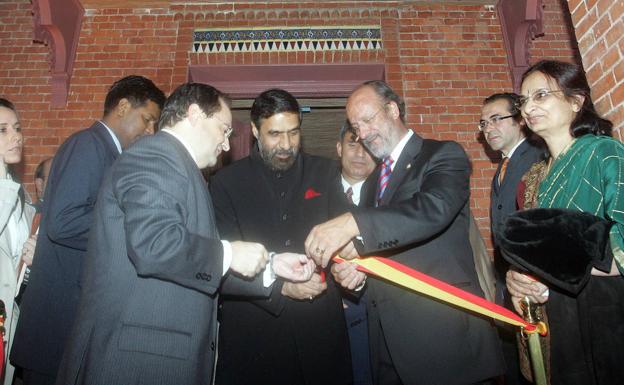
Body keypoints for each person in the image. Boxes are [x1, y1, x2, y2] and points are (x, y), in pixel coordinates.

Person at [54, 82, 314, 385]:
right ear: (194, 114)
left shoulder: (181, 168)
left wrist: (271, 266)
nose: (227, 145)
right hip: (136, 361)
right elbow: (154, 245)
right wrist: (230, 253)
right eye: (224, 129)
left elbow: (194, 263)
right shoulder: (156, 155)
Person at [306, 80, 505, 384]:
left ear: (393, 110)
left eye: (368, 119)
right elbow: (385, 243)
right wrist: (360, 271)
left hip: (444, 339)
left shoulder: (442, 155)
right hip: (387, 349)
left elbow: (432, 210)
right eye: (356, 126)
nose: (363, 134)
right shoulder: (372, 183)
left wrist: (353, 223)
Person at [10, 75, 166, 385]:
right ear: (123, 107)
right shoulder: (89, 144)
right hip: (59, 323)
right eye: (148, 120)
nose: (151, 131)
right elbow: (64, 222)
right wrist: (131, 229)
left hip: (70, 321)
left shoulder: (107, 151)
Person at [210, 88, 353, 385]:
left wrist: (348, 265)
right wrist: (282, 289)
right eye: (275, 134)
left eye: (294, 133)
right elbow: (218, 264)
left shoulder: (326, 173)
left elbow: (345, 242)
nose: (286, 144)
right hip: (253, 339)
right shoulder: (225, 183)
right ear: (254, 130)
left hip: (321, 335)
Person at [505, 60, 624, 385]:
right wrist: (520, 279)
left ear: (576, 100)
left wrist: (561, 268)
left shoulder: (605, 153)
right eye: (523, 100)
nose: (528, 107)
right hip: (557, 320)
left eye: (540, 95)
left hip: (606, 311)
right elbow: (538, 253)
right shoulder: (533, 179)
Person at [480, 93, 544, 385]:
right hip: (511, 282)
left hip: (537, 282)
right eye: (483, 123)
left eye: (496, 119)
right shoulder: (503, 168)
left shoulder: (537, 157)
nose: (488, 128)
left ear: (520, 121)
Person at [336, 121, 375, 385]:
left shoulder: (393, 198)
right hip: (327, 313)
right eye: (353, 144)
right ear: (339, 148)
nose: (360, 153)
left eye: (367, 147)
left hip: (380, 312)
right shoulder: (311, 192)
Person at [0, 98, 36, 385]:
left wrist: (31, 260)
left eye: (17, 127)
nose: (16, 136)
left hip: (10, 319)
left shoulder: (20, 196)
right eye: (2, 130)